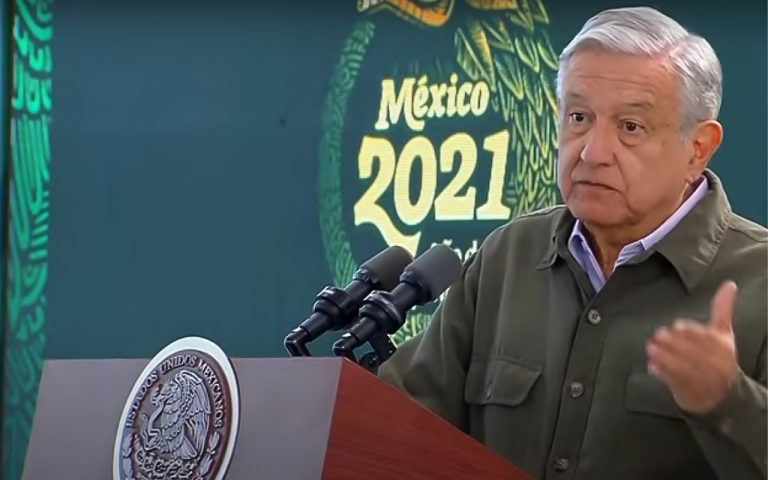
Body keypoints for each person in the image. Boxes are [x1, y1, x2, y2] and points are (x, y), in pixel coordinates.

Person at [377, 6, 767, 480]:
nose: (593, 152)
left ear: (698, 148)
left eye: (630, 127)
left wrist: (728, 404)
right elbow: (397, 424)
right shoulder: (508, 256)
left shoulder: (759, 280)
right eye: (579, 117)